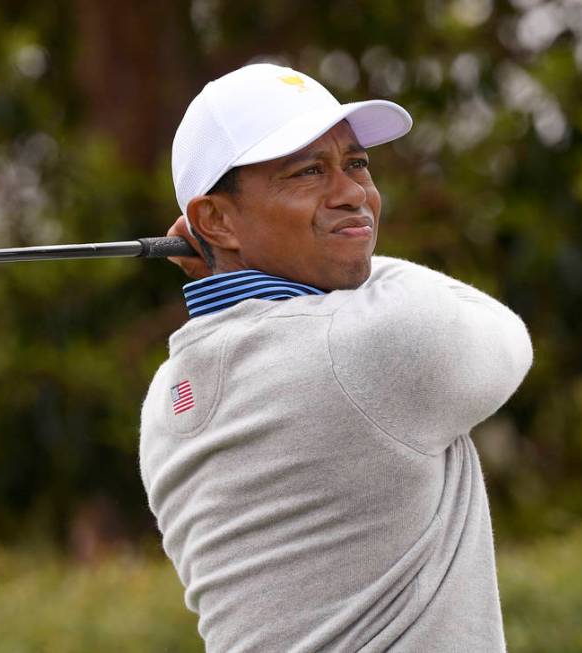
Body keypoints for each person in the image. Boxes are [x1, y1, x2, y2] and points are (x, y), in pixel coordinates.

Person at [139, 63, 533, 652]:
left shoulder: (166, 398)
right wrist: (343, 251)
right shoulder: (371, 344)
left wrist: (241, 262)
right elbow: (509, 338)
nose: (354, 194)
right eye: (308, 172)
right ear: (214, 219)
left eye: (356, 164)